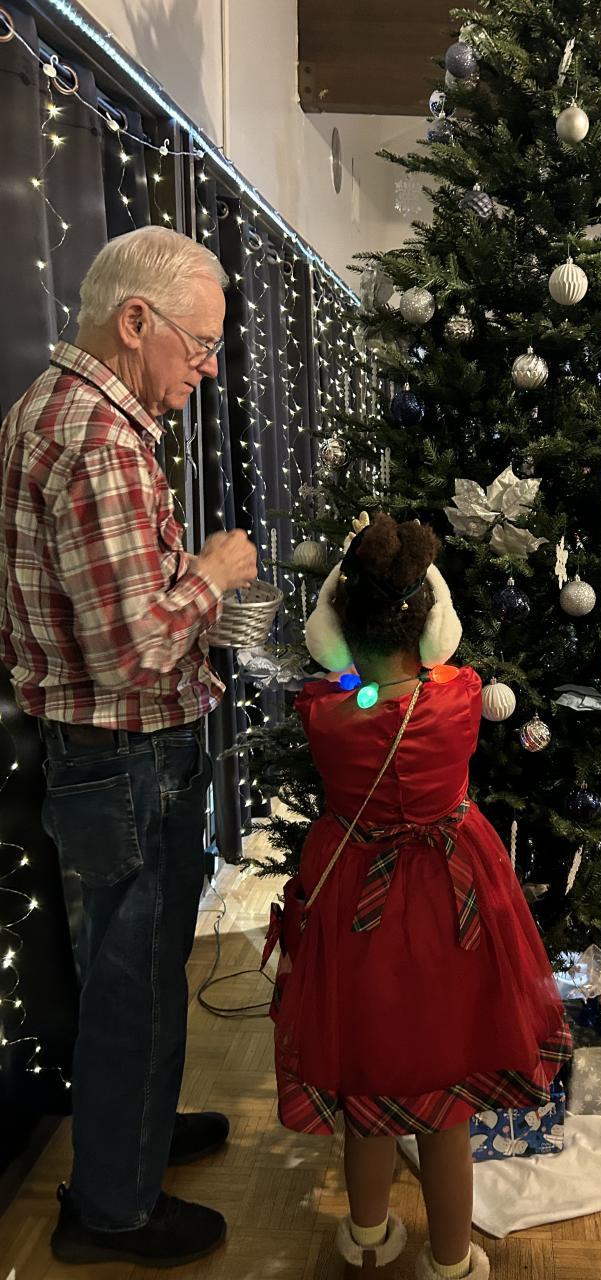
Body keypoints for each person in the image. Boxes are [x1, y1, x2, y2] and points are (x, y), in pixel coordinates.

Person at [0, 226, 258, 1267]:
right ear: (135, 320)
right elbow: (132, 652)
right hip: (127, 755)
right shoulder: (100, 440)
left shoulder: (53, 407)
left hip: (104, 756)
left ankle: (135, 1138)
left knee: (131, 967)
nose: (207, 369)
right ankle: (112, 1207)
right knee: (134, 978)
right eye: (200, 344)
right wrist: (215, 573)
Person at [266, 513, 571, 1279]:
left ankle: (368, 1238)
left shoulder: (327, 711)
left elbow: (346, 684)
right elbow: (438, 666)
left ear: (335, 626)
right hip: (453, 900)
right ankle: (452, 1258)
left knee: (368, 1081)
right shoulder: (458, 693)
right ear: (434, 624)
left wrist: (345, 643)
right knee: (448, 1099)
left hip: (358, 901)